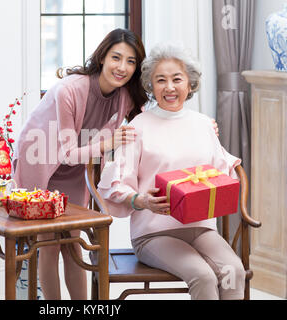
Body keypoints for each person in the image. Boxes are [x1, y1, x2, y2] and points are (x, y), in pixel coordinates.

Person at [13, 29, 218, 300]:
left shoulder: (125, 96)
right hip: (40, 162)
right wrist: (107, 143)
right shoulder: (68, 90)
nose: (122, 67)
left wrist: (203, 126)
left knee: (73, 245)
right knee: (49, 245)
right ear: (102, 57)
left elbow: (157, 118)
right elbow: (64, 153)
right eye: (116, 58)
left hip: (76, 167)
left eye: (131, 61)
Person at [97, 43, 246, 300]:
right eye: (160, 80)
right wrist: (140, 200)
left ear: (190, 84)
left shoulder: (203, 124)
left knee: (234, 271)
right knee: (203, 275)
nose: (169, 87)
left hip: (202, 228)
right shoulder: (138, 127)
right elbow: (115, 183)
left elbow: (223, 175)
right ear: (151, 86)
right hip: (154, 233)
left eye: (177, 79)